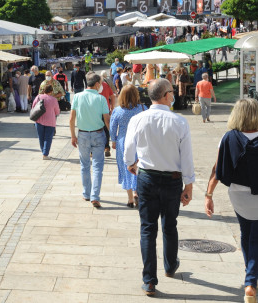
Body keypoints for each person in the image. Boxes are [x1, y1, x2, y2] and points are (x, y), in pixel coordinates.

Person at [204, 98, 258, 303]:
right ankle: (250, 283)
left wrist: (209, 195)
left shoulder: (227, 137)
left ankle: (249, 268)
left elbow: (216, 170)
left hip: (238, 197)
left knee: (245, 232)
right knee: (257, 238)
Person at [123, 78, 195, 296]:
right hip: (172, 179)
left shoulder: (138, 119)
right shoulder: (179, 122)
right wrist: (189, 184)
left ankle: (149, 280)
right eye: (172, 92)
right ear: (166, 95)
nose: (173, 95)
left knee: (147, 228)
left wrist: (131, 164)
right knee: (169, 224)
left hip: (147, 178)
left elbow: (128, 149)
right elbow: (187, 157)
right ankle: (170, 265)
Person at [69, 72, 110, 208]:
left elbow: (71, 118)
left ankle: (86, 193)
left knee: (84, 165)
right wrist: (113, 137)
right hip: (98, 134)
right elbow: (107, 120)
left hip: (82, 135)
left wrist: (73, 135)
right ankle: (95, 196)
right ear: (97, 84)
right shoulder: (101, 99)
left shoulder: (77, 97)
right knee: (98, 167)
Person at [110, 84, 146, 208]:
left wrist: (113, 141)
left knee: (126, 168)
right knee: (139, 167)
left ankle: (130, 199)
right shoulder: (142, 108)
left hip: (123, 142)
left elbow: (113, 127)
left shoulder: (118, 110)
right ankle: (137, 192)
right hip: (139, 142)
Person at [31, 84, 60, 160]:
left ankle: (43, 152)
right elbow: (57, 112)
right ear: (51, 91)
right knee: (48, 138)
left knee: (41, 138)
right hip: (50, 122)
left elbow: (33, 107)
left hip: (39, 120)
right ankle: (45, 154)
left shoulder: (38, 97)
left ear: (43, 90)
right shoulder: (53, 99)